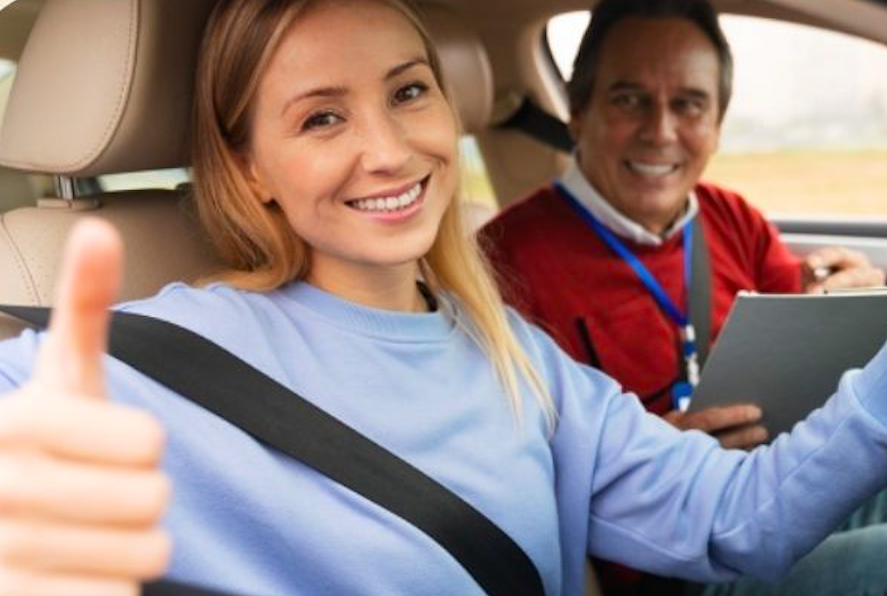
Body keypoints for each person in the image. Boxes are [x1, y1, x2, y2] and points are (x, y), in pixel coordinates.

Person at [1, 1, 887, 596]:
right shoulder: (160, 356)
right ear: (250, 168)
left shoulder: (515, 353)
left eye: (407, 92)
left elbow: (739, 515)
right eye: (321, 117)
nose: (388, 150)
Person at [479, 0, 887, 594]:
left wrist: (846, 301)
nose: (661, 131)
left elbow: (807, 354)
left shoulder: (732, 218)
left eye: (689, 104)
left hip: (776, 490)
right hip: (662, 560)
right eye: (629, 99)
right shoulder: (502, 265)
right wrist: (648, 463)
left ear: (717, 125)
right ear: (578, 113)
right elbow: (510, 479)